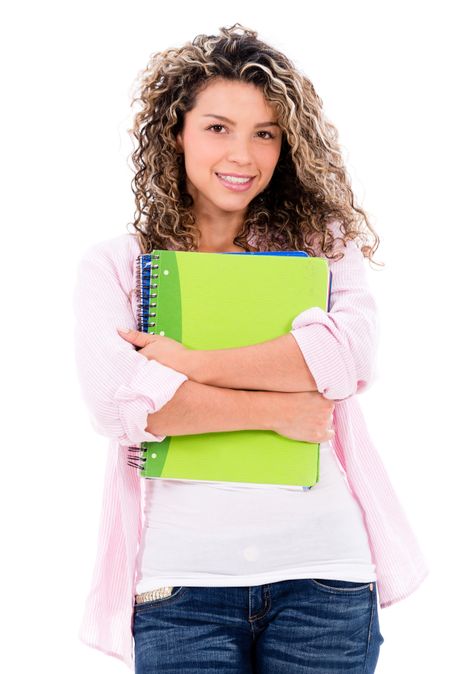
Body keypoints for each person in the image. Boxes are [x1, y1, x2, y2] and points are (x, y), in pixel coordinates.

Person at [73, 23, 429, 673]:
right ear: (175, 132)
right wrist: (279, 403)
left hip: (326, 578)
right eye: (218, 127)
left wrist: (186, 363)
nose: (243, 154)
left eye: (265, 132)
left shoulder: (324, 247)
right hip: (180, 588)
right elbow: (119, 407)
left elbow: (349, 361)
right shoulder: (121, 267)